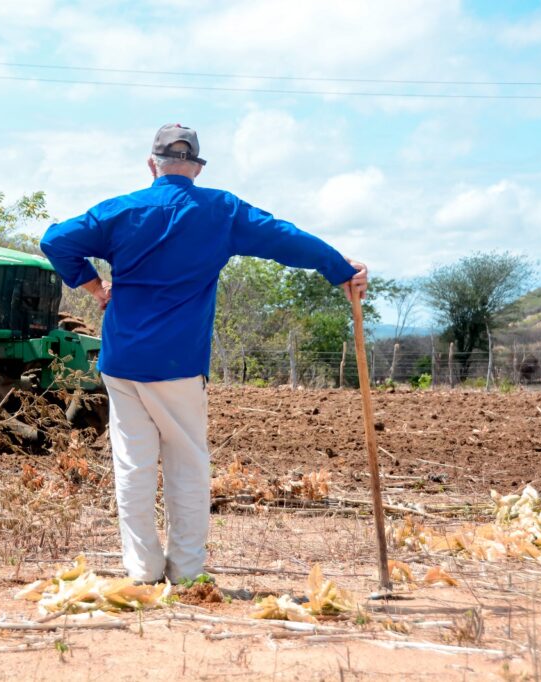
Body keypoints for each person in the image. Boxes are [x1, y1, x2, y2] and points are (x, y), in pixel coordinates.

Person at [40, 123, 368, 584]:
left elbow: (55, 240)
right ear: (196, 167)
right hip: (178, 362)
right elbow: (285, 238)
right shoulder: (221, 211)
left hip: (122, 360)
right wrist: (340, 267)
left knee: (133, 464)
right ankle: (187, 570)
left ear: (152, 165)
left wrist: (95, 287)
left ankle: (143, 569)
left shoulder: (121, 210)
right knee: (187, 463)